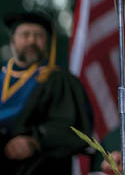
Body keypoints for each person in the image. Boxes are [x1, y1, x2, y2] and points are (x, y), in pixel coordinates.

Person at [0, 11, 93, 174]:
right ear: (12, 40)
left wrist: (35, 141)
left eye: (38, 35)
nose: (31, 40)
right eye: (25, 34)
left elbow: (72, 127)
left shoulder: (59, 80)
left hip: (38, 166)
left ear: (48, 42)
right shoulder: (2, 76)